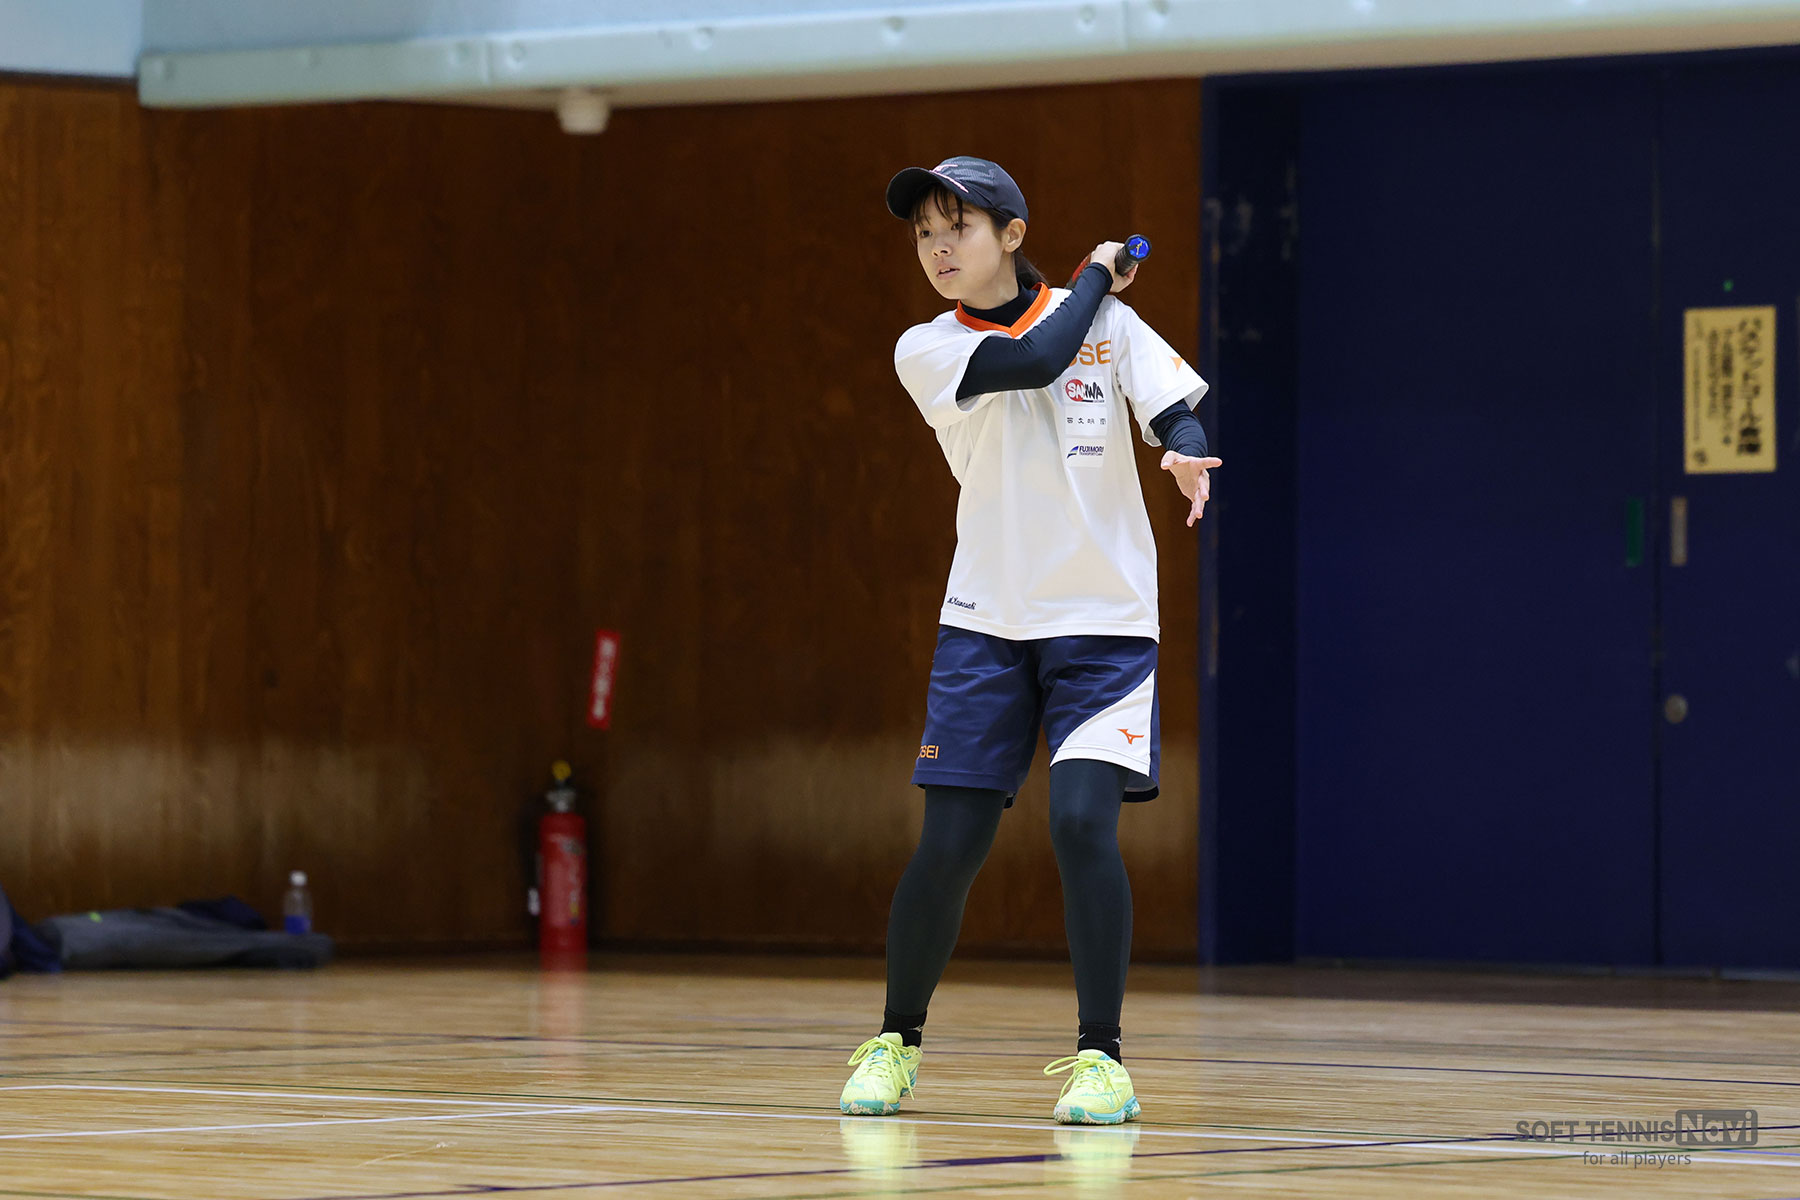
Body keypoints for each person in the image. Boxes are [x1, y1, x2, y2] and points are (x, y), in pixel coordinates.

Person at [839, 157, 1220, 1125]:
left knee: (1083, 825)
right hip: (987, 625)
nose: (937, 249)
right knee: (950, 845)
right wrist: (1095, 273)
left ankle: (1103, 1060)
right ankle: (895, 1041)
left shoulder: (1111, 323)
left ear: (1011, 234)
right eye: (924, 233)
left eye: (957, 227)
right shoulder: (927, 347)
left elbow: (1171, 406)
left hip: (1104, 624)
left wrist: (1183, 449)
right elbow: (1037, 357)